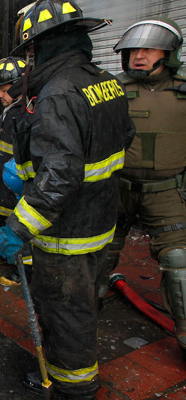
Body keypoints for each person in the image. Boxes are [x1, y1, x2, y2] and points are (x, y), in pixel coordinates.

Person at [0, 1, 135, 398]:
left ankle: (75, 388)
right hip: (101, 221)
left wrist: (17, 228)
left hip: (66, 234)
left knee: (65, 314)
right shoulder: (104, 80)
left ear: (37, 48)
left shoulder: (55, 94)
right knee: (83, 305)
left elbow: (60, 178)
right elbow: (124, 138)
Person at [100, 17, 186, 359]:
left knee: (179, 263)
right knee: (99, 252)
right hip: (116, 188)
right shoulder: (112, 90)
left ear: (167, 53)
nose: (139, 55)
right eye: (134, 49)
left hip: (167, 193)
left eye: (148, 49)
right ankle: (84, 309)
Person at [0, 57, 27, 229]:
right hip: (2, 190)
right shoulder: (8, 112)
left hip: (15, 192)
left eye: (4, 91)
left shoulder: (26, 114)